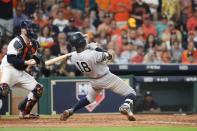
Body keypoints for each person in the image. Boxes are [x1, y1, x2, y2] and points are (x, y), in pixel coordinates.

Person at [60, 32, 136, 121]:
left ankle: (71, 110)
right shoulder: (92, 54)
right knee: (131, 92)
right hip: (106, 78)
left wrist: (89, 48)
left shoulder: (73, 57)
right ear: (82, 42)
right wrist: (96, 48)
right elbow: (110, 55)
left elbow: (82, 54)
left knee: (90, 98)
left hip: (93, 81)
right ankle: (126, 106)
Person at [0, 20, 44, 119]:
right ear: (23, 30)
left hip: (20, 71)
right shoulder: (16, 41)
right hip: (9, 68)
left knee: (38, 89)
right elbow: (10, 58)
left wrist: (37, 60)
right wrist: (27, 62)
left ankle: (24, 112)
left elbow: (34, 58)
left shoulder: (34, 43)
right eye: (29, 27)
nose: (31, 30)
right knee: (3, 89)